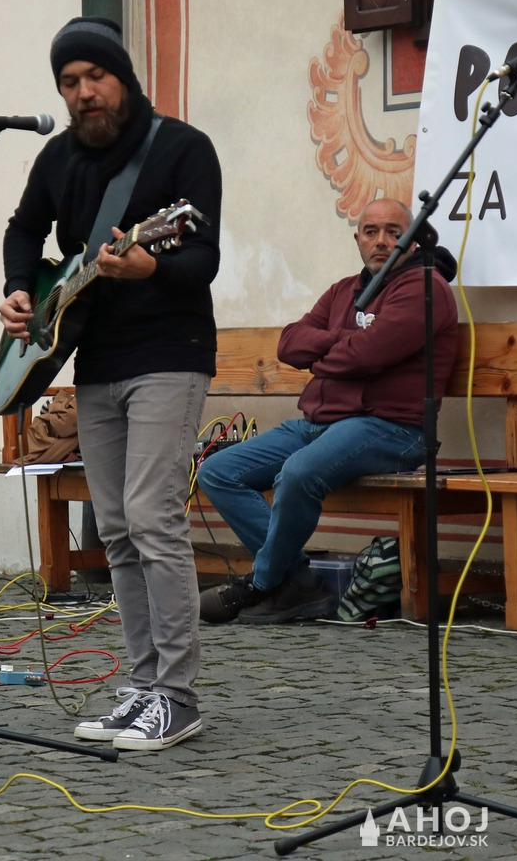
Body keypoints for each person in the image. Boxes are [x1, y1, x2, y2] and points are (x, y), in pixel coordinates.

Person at [0, 17, 221, 750]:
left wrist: (151, 264)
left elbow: (204, 258)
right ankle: (144, 682)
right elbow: (23, 229)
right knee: (117, 527)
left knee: (153, 518)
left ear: (122, 78)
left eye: (96, 76)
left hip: (168, 354)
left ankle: (178, 695)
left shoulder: (183, 149)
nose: (84, 92)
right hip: (94, 360)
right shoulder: (59, 157)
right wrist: (19, 288)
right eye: (70, 82)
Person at [196, 199, 459, 625]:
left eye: (394, 232)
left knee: (298, 473)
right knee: (217, 471)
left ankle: (261, 584)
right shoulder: (344, 290)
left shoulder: (425, 288)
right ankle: (296, 580)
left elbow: (368, 355)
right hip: (318, 424)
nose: (382, 241)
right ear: (357, 239)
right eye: (371, 232)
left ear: (412, 240)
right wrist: (342, 338)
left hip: (390, 427)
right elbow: (289, 344)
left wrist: (324, 354)